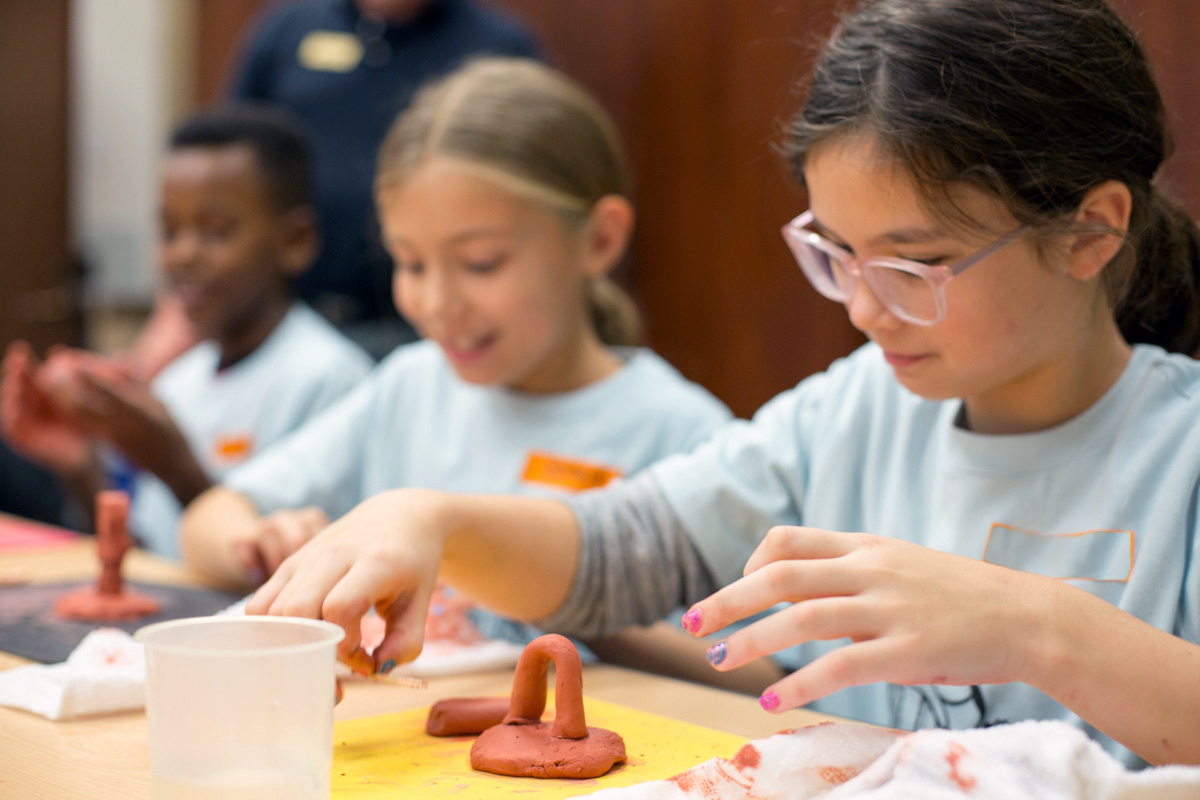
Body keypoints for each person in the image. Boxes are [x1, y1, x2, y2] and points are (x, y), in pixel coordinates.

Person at [247, 0, 1200, 769]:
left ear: (1091, 232)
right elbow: (626, 547)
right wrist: (435, 522)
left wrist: (1040, 627)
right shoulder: (850, 411)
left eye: (914, 268)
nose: (864, 312)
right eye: (836, 256)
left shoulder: (1179, 450)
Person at [180, 60, 732, 620]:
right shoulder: (411, 386)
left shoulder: (686, 433)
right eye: (412, 264)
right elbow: (211, 517)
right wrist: (264, 543)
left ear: (600, 240)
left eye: (480, 263)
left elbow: (755, 667)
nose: (439, 302)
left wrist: (534, 585)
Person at [0, 106, 372, 557]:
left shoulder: (332, 381)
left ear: (294, 242)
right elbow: (148, 558)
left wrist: (174, 465)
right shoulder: (184, 378)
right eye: (168, 231)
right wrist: (80, 466)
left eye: (216, 232)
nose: (183, 254)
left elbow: (294, 572)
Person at [228, 0, 541, 358]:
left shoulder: (497, 44)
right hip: (289, 321)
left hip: (434, 329)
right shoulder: (288, 29)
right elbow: (226, 167)